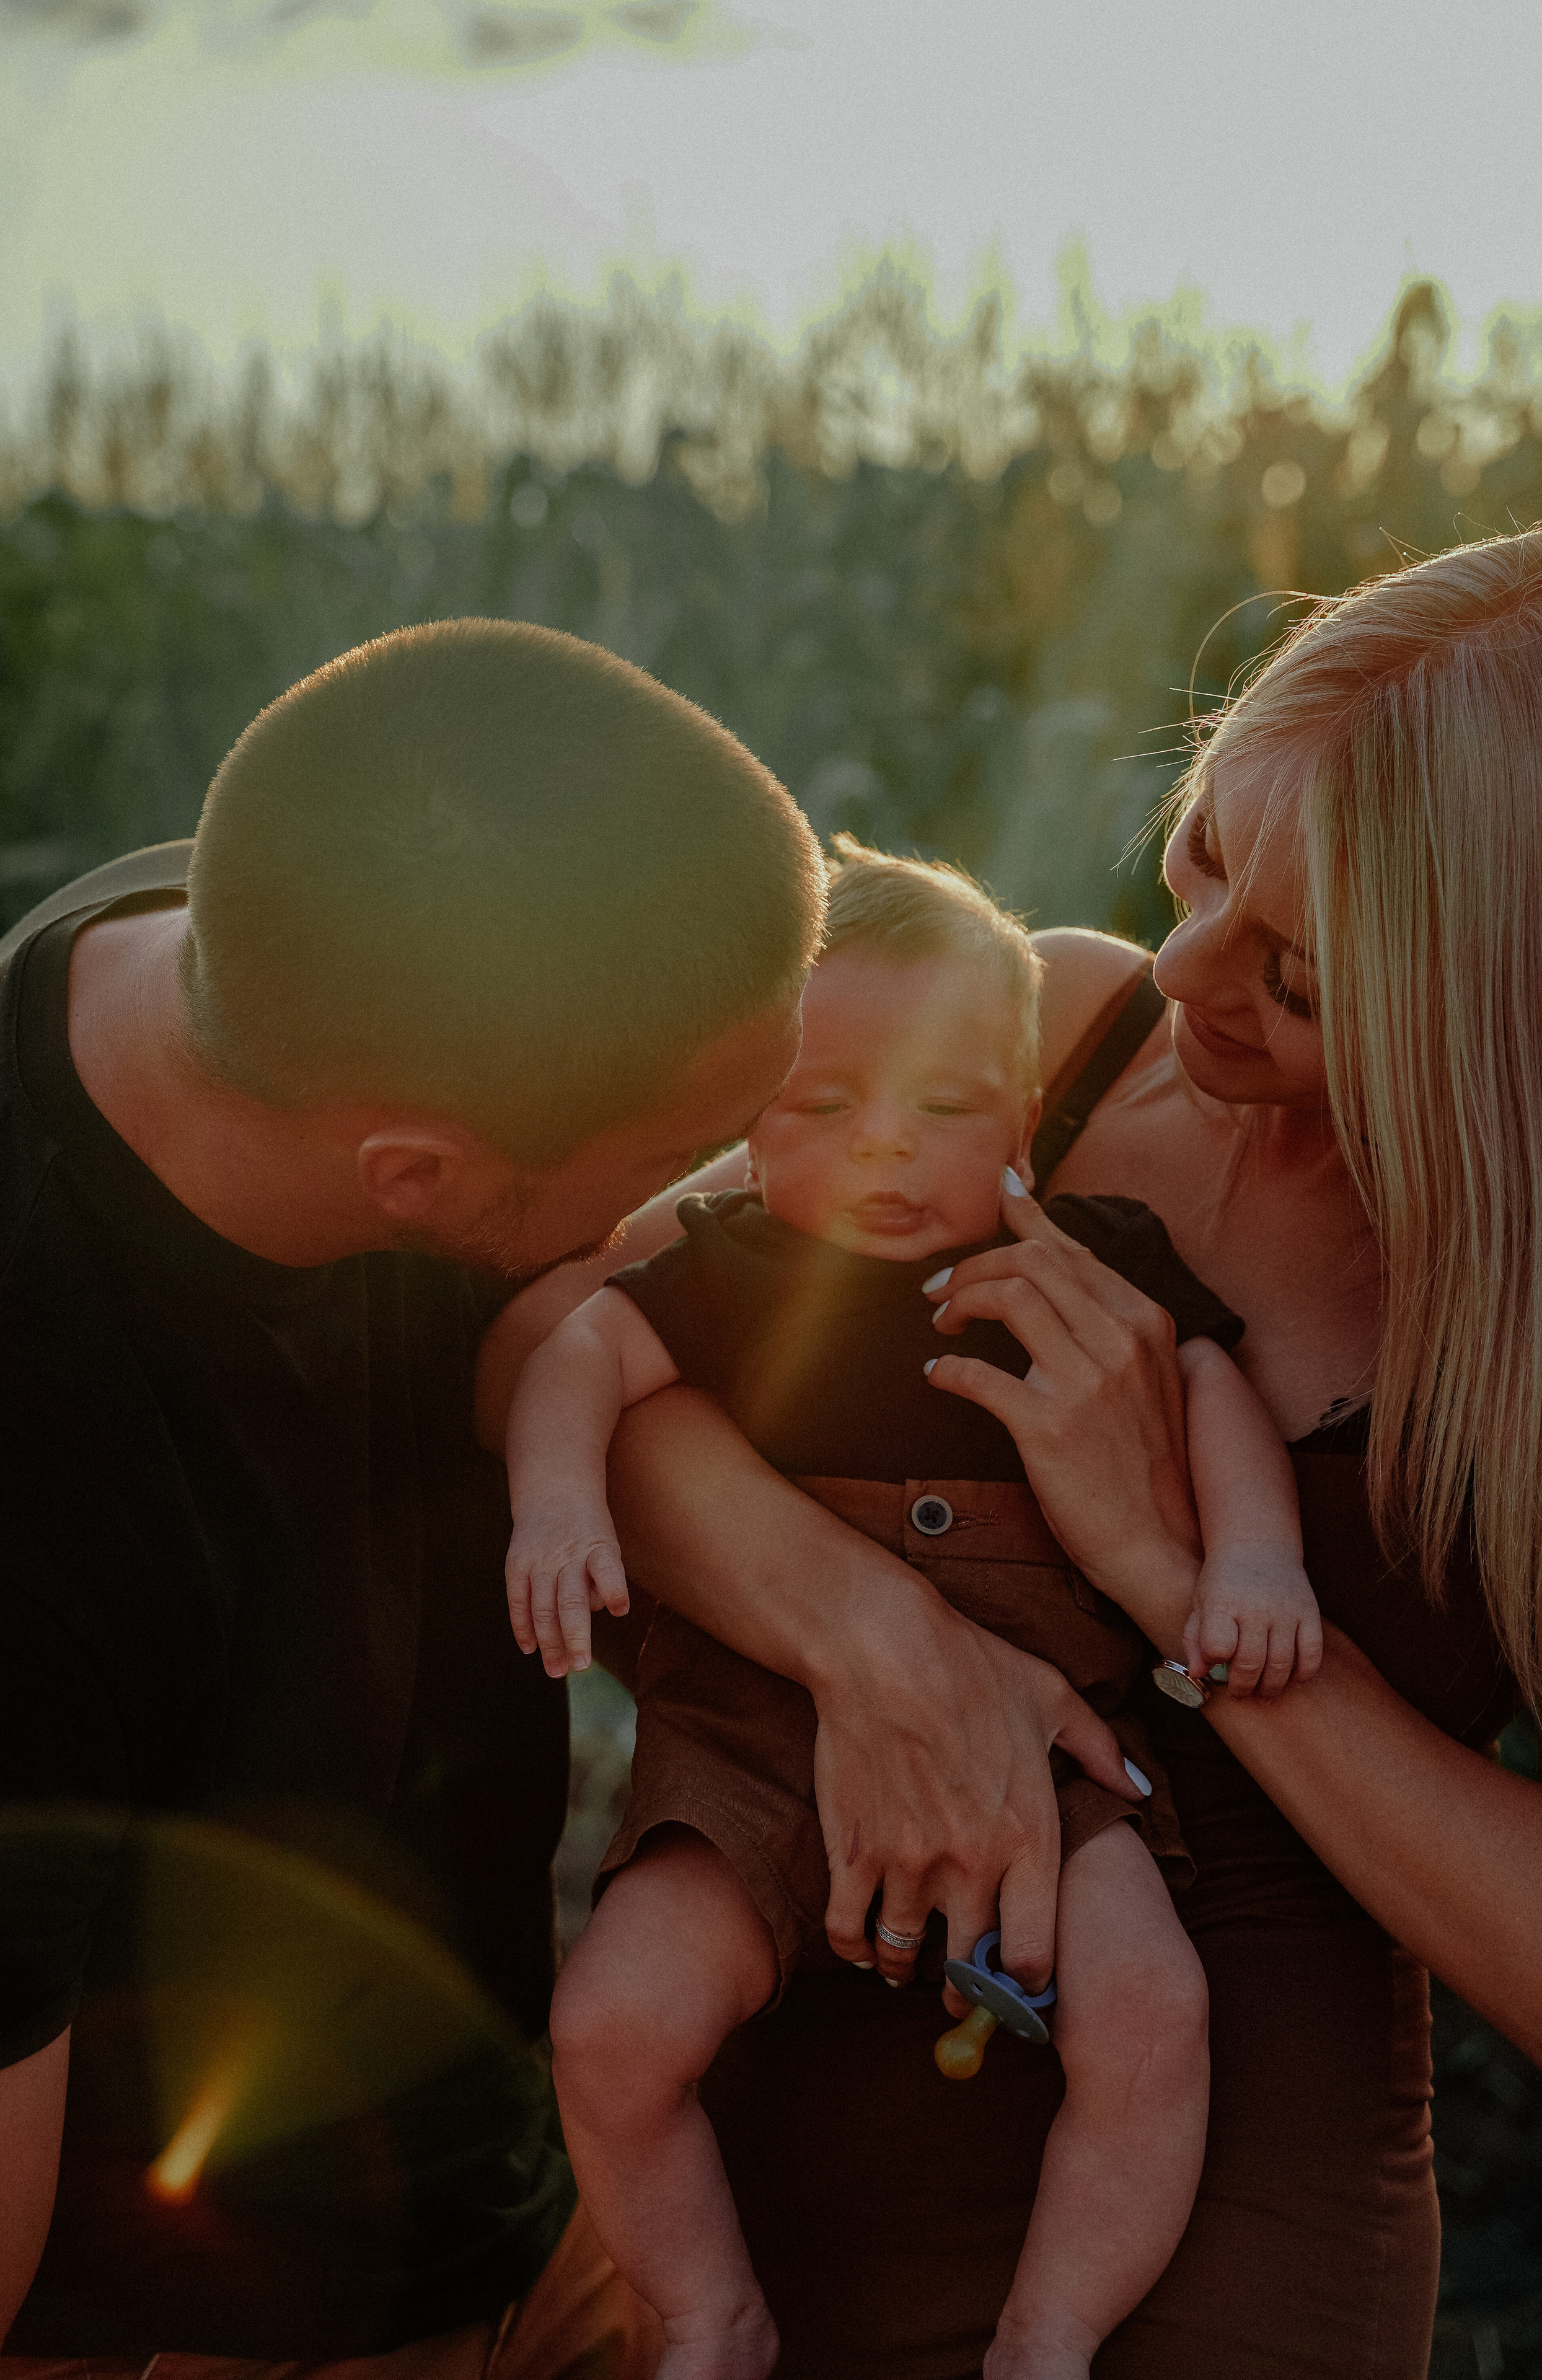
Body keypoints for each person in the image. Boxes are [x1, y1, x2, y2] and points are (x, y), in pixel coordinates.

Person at [476, 529, 1542, 2379]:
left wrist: (1167, 1577)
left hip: (1215, 2201)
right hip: (787, 2039)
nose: (1185, 961)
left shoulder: (1510, 1321)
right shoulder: (1051, 1042)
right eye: (1199, 853)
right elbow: (553, 1346)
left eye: (1295, 977)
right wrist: (884, 1646)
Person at [0, 618, 829, 2378]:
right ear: (413, 1176)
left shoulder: (274, 941)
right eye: (675, 1165)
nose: (733, 1196)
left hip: (520, 2196)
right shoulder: (7, 1489)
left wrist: (874, 1639)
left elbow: (572, 1330)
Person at [503, 845, 1322, 2380]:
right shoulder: (730, 1265)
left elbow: (1206, 1385)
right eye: (822, 1107)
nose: (882, 1148)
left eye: (943, 1107)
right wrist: (558, 1507)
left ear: (1023, 1114)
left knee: (1153, 2018)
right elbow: (573, 1355)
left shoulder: (1082, 1258)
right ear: (747, 1128)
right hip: (749, 1755)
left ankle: (1047, 2335)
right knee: (610, 2030)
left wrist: (1255, 1563)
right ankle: (710, 2315)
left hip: (1054, 1752)